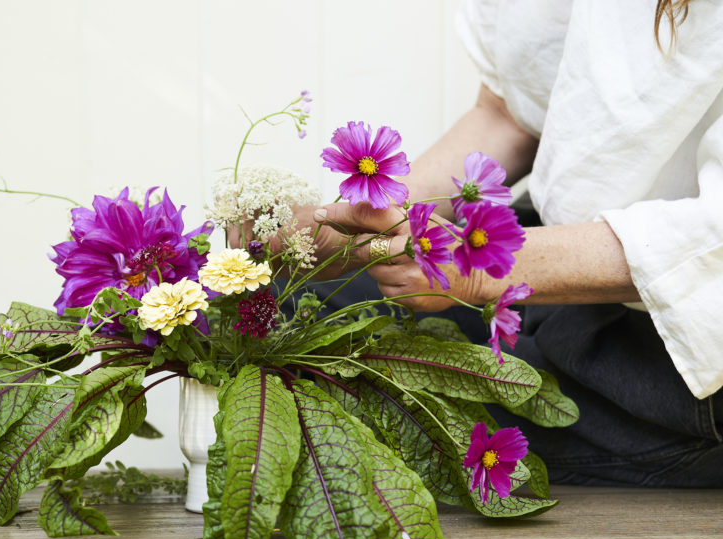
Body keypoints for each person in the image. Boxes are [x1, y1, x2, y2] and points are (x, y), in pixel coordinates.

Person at [281, 0, 723, 487]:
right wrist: (363, 219)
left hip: (680, 356)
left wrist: (477, 271)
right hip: (551, 265)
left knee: (341, 390)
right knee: (271, 311)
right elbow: (510, 110)